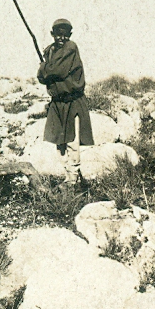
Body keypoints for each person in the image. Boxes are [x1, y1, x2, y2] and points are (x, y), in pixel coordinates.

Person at [36, 18, 94, 184]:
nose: (61, 38)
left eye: (65, 34)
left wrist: (44, 68)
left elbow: (58, 71)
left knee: (72, 140)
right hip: (57, 102)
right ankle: (68, 175)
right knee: (59, 140)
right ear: (52, 34)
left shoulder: (71, 48)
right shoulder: (49, 51)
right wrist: (45, 70)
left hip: (72, 101)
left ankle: (74, 176)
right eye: (58, 34)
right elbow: (41, 77)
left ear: (70, 35)